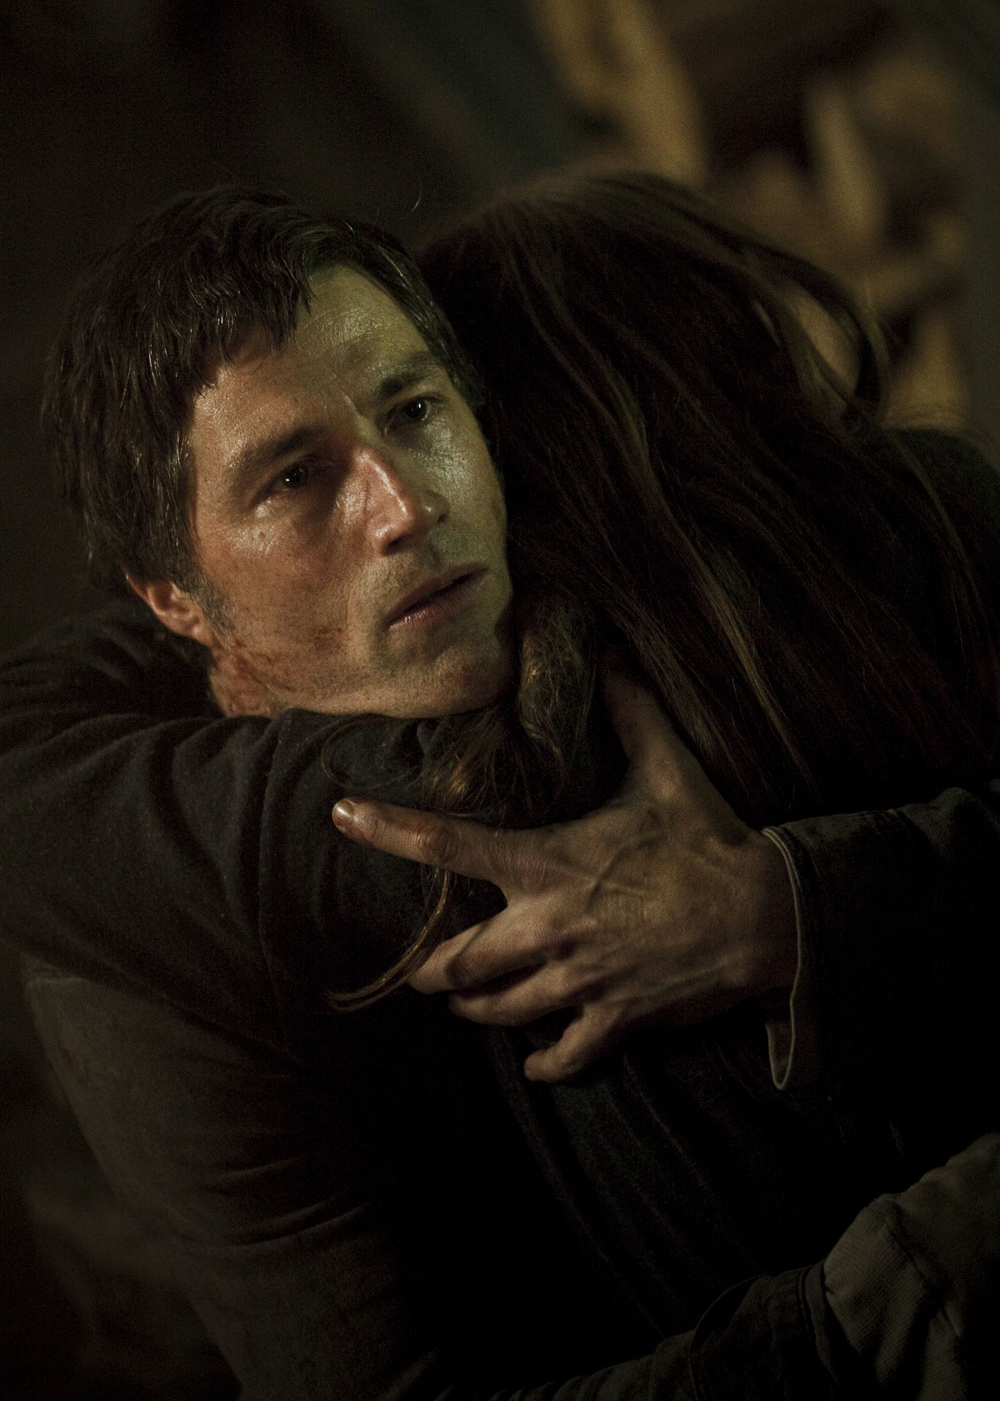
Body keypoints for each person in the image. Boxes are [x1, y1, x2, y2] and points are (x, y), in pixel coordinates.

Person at [3, 175, 1000, 1398]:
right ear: (173, 601)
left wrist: (786, 910)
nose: (407, 506)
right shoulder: (152, 962)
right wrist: (909, 1291)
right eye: (293, 480)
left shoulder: (628, 609)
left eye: (415, 411)